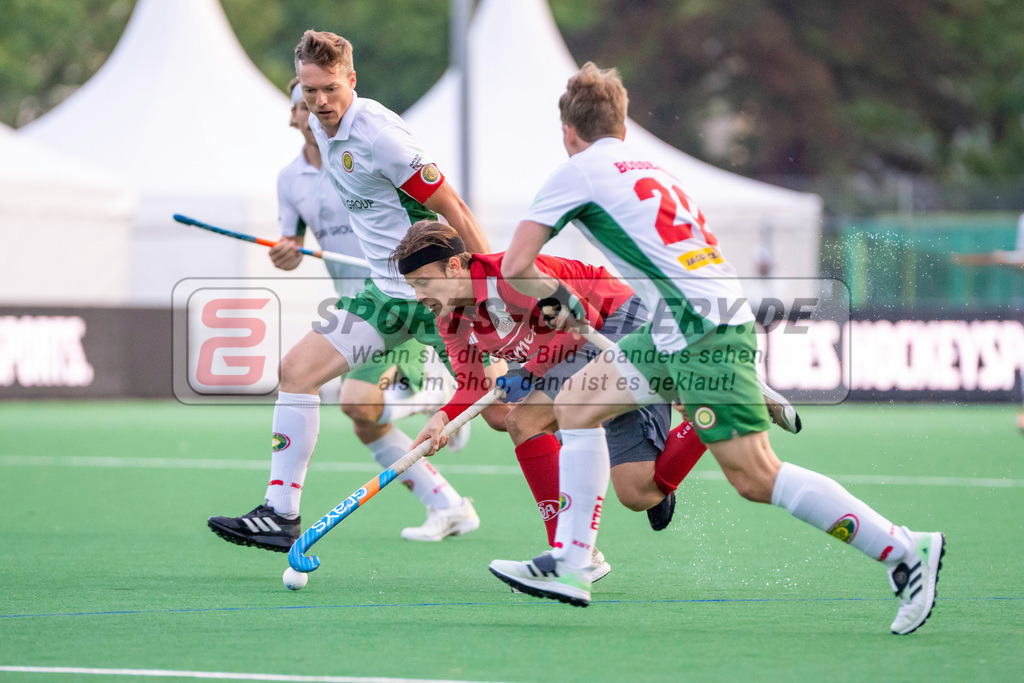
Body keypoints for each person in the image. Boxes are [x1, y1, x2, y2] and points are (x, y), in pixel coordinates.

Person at [489, 62, 945, 636]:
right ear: (623, 126)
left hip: (701, 329)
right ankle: (574, 562)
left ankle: (905, 550)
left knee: (755, 476)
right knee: (578, 403)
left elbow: (515, 266)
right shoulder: (650, 167)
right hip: (675, 325)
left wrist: (558, 303)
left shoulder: (577, 169)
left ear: (569, 132)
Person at [207, 31, 511, 551]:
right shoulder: (320, 134)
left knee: (509, 413)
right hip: (381, 295)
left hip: (436, 294)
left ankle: (580, 534)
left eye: (329, 89)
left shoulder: (380, 136)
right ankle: (280, 515)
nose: (319, 102)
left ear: (351, 79)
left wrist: (491, 292)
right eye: (309, 92)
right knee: (296, 372)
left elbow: (454, 209)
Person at [391, 221, 711, 552]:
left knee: (524, 420)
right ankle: (709, 417)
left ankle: (568, 553)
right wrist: (443, 418)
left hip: (617, 323)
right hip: (572, 349)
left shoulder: (511, 277)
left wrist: (530, 372)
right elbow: (471, 386)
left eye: (423, 282)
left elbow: (581, 321)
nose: (419, 296)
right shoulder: (448, 319)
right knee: (638, 493)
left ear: (454, 266)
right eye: (413, 286)